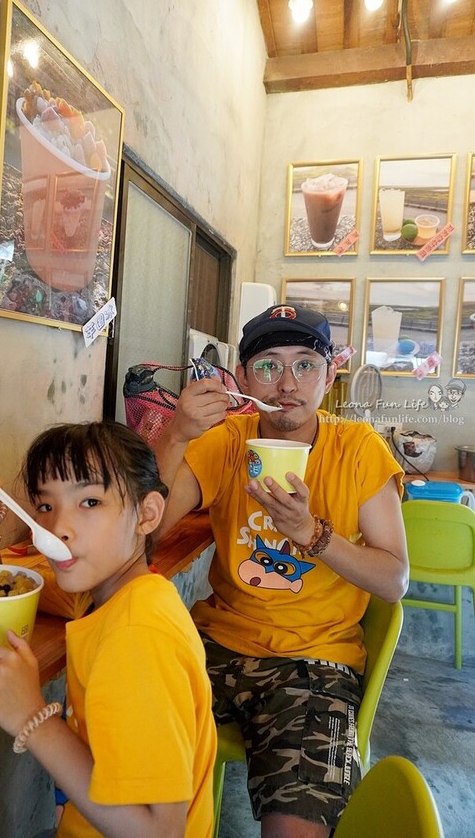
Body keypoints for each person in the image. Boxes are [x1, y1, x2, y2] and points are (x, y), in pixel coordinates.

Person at [154, 304, 409, 838]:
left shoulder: (358, 450)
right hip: (215, 645)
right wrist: (176, 434)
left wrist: (313, 534)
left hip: (317, 663)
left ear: (329, 375)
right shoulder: (226, 441)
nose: (287, 384)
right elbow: (148, 528)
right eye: (268, 366)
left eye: (305, 365)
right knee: (125, 750)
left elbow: (394, 579)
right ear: (243, 379)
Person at [0, 421, 216, 838]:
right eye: (45, 506)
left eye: (90, 502)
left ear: (146, 514)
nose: (57, 527)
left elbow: (160, 832)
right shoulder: (109, 592)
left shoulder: (137, 635)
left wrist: (32, 717)